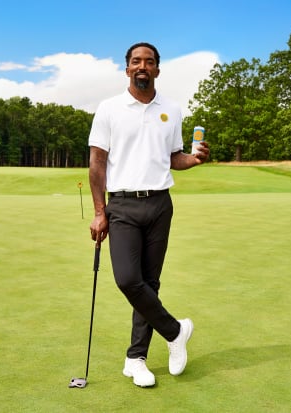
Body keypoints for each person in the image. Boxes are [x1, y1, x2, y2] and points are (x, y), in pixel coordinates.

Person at [88, 42, 210, 387]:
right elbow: (97, 163)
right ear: (127, 68)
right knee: (128, 280)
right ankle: (175, 331)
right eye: (136, 61)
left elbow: (174, 158)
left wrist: (195, 159)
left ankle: (136, 358)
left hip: (159, 204)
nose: (143, 66)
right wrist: (100, 211)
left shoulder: (171, 109)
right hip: (123, 205)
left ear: (158, 69)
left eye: (149, 62)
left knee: (149, 284)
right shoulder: (109, 109)